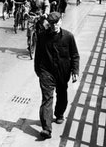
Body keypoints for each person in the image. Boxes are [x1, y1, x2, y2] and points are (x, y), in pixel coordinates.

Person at [34, 11, 80, 139]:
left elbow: (75, 55)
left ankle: (59, 114)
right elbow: (38, 55)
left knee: (62, 95)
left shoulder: (68, 37)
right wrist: (39, 71)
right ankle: (46, 129)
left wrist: (75, 71)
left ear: (61, 21)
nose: (55, 26)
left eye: (57, 23)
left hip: (62, 72)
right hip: (46, 72)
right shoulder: (42, 37)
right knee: (47, 99)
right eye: (52, 23)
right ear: (49, 23)